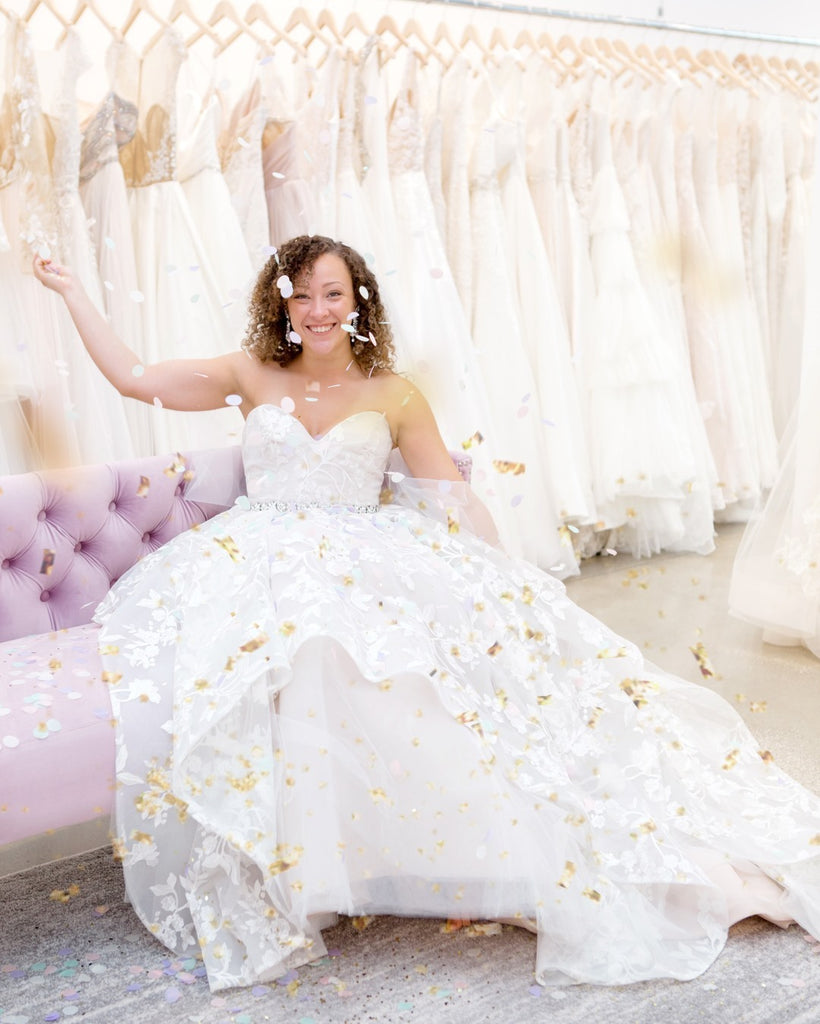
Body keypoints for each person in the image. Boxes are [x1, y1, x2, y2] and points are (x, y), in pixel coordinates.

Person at [33, 236, 820, 993]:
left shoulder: (394, 392)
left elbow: (449, 494)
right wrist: (73, 294)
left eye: (332, 294)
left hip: (359, 558)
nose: (315, 309)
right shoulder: (250, 373)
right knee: (294, 652)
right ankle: (308, 868)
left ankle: (405, 852)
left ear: (357, 299)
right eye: (301, 294)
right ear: (280, 303)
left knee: (366, 655)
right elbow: (135, 378)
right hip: (256, 565)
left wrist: (509, 584)